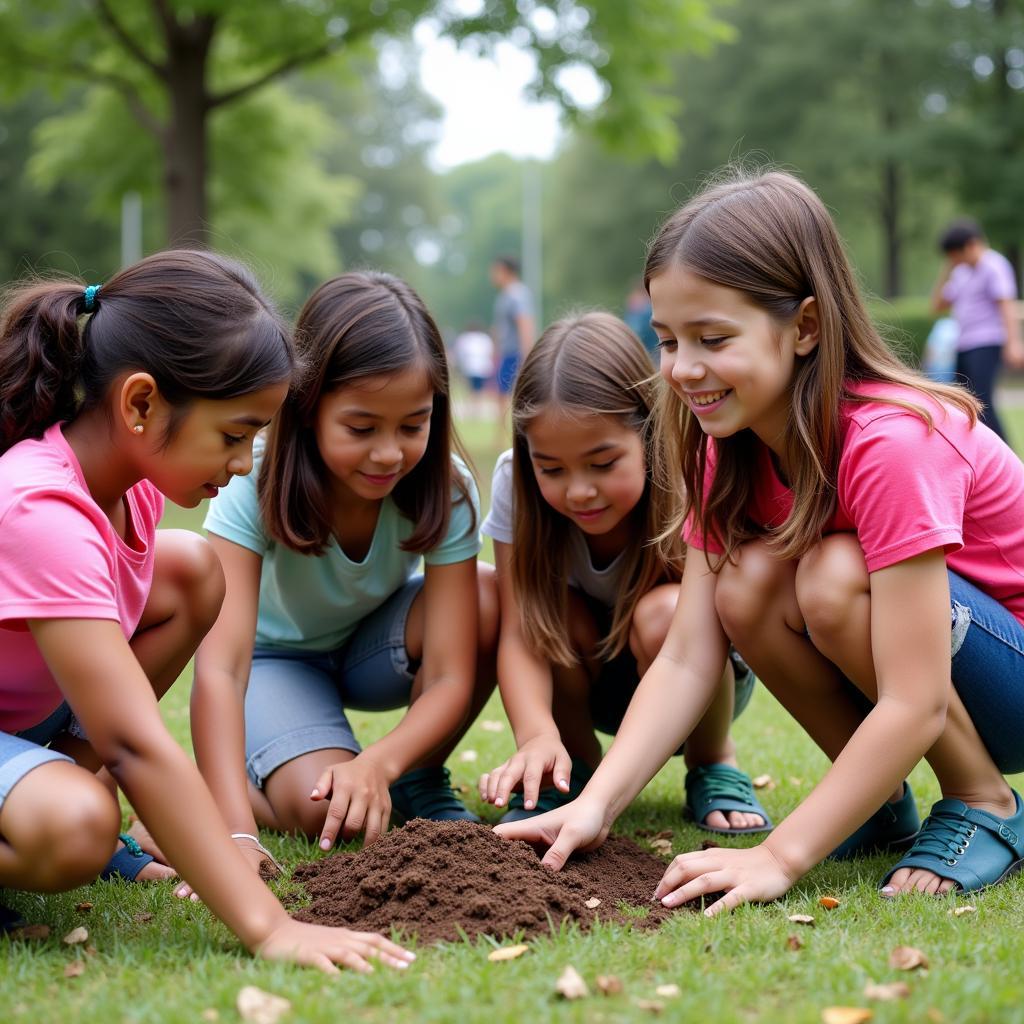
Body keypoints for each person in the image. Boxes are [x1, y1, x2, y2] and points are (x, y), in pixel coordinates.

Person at [497, 170, 1024, 914]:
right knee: (749, 580)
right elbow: (686, 653)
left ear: (805, 325)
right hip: (945, 678)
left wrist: (779, 856)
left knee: (832, 574)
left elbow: (914, 698)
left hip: (1009, 674)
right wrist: (597, 805)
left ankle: (984, 802)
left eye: (713, 339)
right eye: (669, 340)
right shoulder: (729, 446)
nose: (682, 369)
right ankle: (874, 804)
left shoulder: (890, 442)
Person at [0, 251, 414, 971]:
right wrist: (268, 926)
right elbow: (132, 742)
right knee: (75, 824)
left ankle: (54, 782)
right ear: (139, 404)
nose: (247, 463)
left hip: (20, 721)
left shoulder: (129, 485)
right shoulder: (41, 507)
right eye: (233, 436)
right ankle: (54, 800)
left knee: (193, 572)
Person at [192, 271, 497, 887]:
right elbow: (222, 669)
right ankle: (194, 800)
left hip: (370, 646)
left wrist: (380, 764)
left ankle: (416, 776)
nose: (389, 453)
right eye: (362, 428)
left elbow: (447, 673)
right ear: (306, 408)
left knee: (487, 596)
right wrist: (233, 831)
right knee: (327, 813)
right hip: (276, 662)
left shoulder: (447, 488)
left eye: (414, 425)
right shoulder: (253, 476)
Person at [478, 311, 769, 835]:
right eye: (552, 469)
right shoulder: (512, 483)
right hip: (586, 676)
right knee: (551, 614)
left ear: (648, 434)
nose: (580, 490)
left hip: (696, 678)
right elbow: (522, 630)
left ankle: (714, 764)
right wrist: (535, 735)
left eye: (603, 463)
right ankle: (569, 771)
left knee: (668, 613)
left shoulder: (690, 477)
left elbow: (708, 631)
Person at [931, 218, 1024, 441]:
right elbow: (937, 305)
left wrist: (1014, 343)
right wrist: (948, 268)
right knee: (965, 404)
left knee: (983, 403)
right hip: (964, 344)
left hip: (987, 342)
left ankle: (1006, 458)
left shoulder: (994, 265)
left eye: (956, 254)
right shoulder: (960, 272)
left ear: (972, 245)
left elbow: (1006, 305)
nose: (955, 260)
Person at [490, 256, 535, 434]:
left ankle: (513, 435)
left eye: (496, 270)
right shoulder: (506, 294)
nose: (493, 275)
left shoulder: (517, 294)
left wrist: (526, 355)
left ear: (506, 271)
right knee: (502, 394)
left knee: (517, 397)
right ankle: (502, 435)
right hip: (507, 352)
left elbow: (525, 323)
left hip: (515, 353)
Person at [452, 321, 495, 419]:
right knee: (479, 390)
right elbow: (490, 352)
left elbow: (460, 353)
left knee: (470, 389)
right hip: (481, 367)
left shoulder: (465, 338)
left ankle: (470, 410)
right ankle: (477, 410)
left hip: (470, 367)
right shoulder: (484, 338)